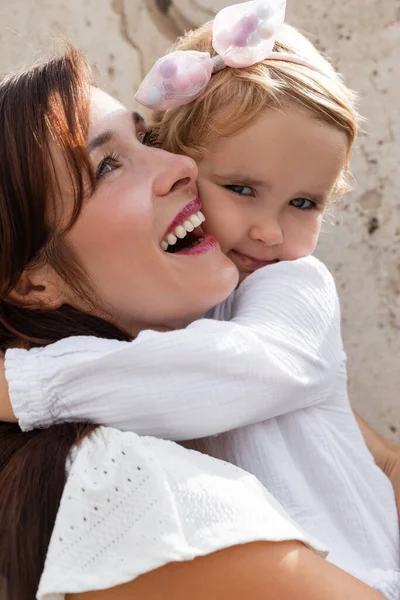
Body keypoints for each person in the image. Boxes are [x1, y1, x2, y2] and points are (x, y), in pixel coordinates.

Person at [1, 1, 399, 597]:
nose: (178, 165)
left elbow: (237, 370)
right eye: (109, 165)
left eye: (146, 137)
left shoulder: (289, 290)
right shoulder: (118, 479)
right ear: (33, 279)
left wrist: (23, 384)